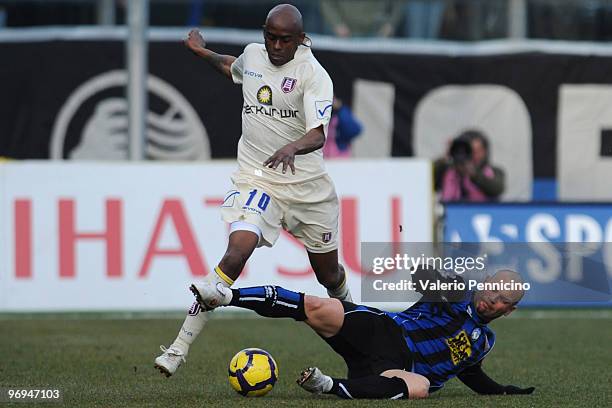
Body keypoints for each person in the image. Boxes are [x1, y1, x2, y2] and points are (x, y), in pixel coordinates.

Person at [154, 4, 352, 377]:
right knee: (236, 251)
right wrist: (203, 53)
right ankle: (177, 350)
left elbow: (319, 133)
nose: (276, 45)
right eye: (270, 37)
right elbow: (235, 68)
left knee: (328, 275)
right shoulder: (254, 55)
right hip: (258, 178)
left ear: (300, 39)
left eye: (284, 40)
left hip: (307, 188)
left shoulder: (313, 75)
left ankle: (354, 316)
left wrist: (293, 146)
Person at [192, 267, 535, 399]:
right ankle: (226, 296)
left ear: (510, 308)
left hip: (396, 370)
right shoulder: (457, 291)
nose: (491, 299)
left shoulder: (484, 343)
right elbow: (420, 276)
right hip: (385, 332)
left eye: (502, 299)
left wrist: (504, 391)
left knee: (422, 387)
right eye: (491, 290)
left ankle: (329, 385)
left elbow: (471, 375)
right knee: (317, 307)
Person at [434, 130, 505, 201]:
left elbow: (497, 189)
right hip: (450, 210)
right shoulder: (446, 171)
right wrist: (446, 157)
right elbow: (426, 182)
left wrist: (473, 174)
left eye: (477, 151)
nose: (473, 155)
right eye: (469, 151)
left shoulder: (494, 172)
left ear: (485, 152)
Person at [319, 0, 403, 38]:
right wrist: (337, 23)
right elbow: (326, 2)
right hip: (345, 33)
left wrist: (391, 24)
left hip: (379, 32)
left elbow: (399, 3)